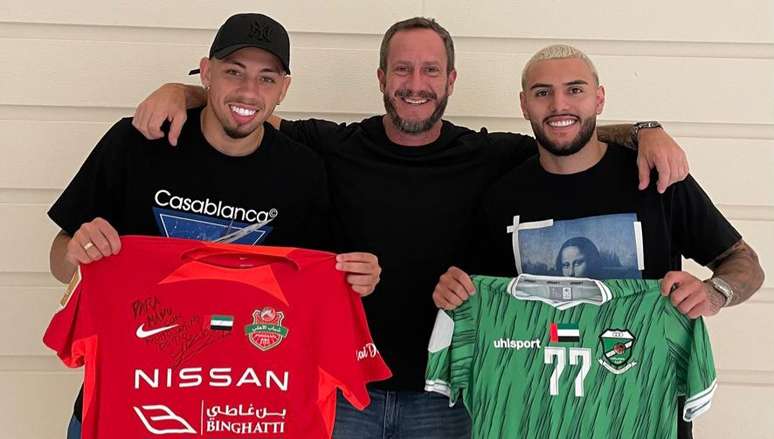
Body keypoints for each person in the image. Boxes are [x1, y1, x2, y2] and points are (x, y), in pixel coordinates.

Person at [131, 18, 691, 438]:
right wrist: (186, 91)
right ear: (382, 77)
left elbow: (565, 130)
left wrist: (646, 129)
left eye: (430, 70)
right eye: (402, 69)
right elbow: (249, 108)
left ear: (450, 80)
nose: (415, 83)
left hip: (447, 397)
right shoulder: (332, 146)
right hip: (345, 391)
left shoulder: (490, 155)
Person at [48, 14, 382, 439]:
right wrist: (76, 253)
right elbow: (60, 260)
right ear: (206, 72)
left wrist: (356, 280)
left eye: (266, 78)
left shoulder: (303, 172)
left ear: (283, 89)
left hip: (240, 415)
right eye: (233, 72)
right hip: (129, 407)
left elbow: (321, 285)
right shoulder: (136, 144)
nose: (248, 91)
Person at [432, 44, 765, 438]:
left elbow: (745, 262)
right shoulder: (500, 196)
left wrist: (714, 293)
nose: (559, 104)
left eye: (575, 90)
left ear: (600, 98)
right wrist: (454, 290)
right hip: (537, 423)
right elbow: (476, 293)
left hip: (639, 419)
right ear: (523, 104)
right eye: (542, 92)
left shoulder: (655, 179)